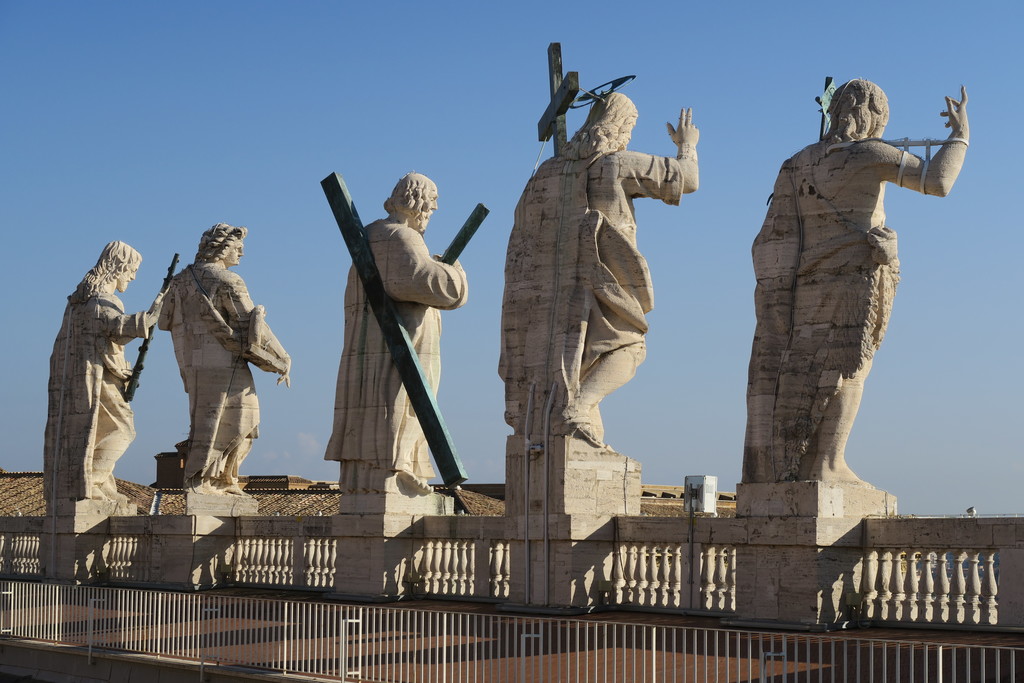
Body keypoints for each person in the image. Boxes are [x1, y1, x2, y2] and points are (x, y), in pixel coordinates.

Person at [743, 80, 970, 484]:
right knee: (850, 369)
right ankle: (829, 463)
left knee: (806, 371)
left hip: (801, 286)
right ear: (875, 117)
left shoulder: (795, 163)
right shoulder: (869, 153)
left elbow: (773, 236)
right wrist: (960, 135)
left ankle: (801, 466)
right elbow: (938, 182)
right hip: (854, 278)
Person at [499, 92, 699, 448]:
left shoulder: (544, 174)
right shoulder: (616, 163)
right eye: (631, 125)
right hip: (600, 276)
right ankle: (577, 408)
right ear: (620, 126)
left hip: (546, 289)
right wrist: (687, 145)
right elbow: (688, 178)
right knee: (630, 346)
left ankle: (567, 417)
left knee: (575, 364)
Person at [325, 173, 468, 496]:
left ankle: (386, 468)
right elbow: (434, 285)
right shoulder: (399, 237)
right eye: (430, 210)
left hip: (376, 343)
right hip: (401, 345)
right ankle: (396, 466)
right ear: (420, 206)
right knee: (399, 400)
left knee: (383, 402)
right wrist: (455, 270)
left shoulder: (370, 237)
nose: (430, 217)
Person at [159, 223, 290, 495]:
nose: (241, 254)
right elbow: (250, 328)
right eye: (238, 248)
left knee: (205, 423)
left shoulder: (180, 281)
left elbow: (163, 322)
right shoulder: (228, 281)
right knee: (244, 418)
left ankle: (213, 480)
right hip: (225, 365)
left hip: (192, 366)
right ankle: (215, 481)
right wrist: (283, 357)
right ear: (223, 248)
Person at [44, 241, 163, 515]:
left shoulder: (79, 301)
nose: (132, 277)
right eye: (131, 270)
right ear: (117, 267)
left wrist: (123, 369)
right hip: (94, 378)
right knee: (123, 430)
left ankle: (98, 481)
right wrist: (153, 313)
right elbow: (117, 329)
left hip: (88, 374)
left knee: (97, 431)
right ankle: (93, 481)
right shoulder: (102, 300)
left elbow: (102, 341)